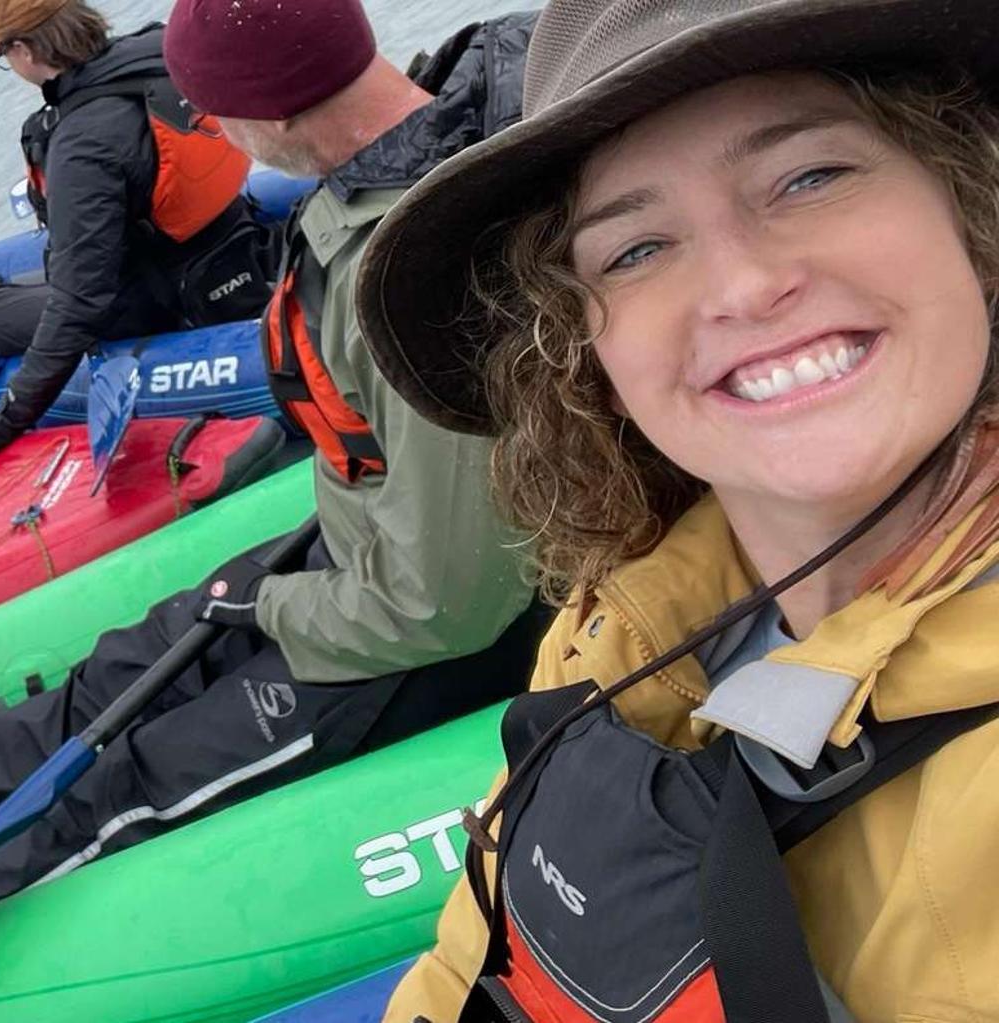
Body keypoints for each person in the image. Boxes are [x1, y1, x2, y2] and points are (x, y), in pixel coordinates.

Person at [0, 0, 547, 985]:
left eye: (213, 112)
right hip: (377, 548)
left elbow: (446, 606)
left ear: (263, 112)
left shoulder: (416, 278)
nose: (207, 132)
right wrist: (266, 593)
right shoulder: (393, 164)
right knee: (160, 640)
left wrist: (279, 602)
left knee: (138, 776)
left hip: (440, 629)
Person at [351, 2, 999, 1019]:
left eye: (810, 176)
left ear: (966, 200)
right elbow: (464, 964)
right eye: (637, 250)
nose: (742, 284)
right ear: (583, 354)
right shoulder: (621, 623)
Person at [0, 0, 273, 484]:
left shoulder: (83, 144)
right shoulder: (161, 52)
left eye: (5, 56)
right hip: (231, 246)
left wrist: (3, 422)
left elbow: (78, 307)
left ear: (24, 50)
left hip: (155, 300)